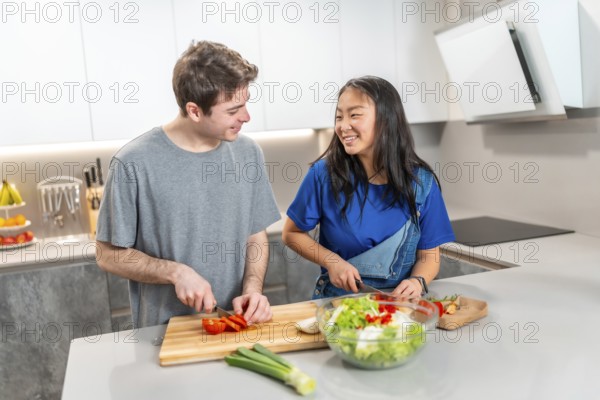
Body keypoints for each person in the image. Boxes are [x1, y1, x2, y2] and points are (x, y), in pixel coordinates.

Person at [96, 41, 281, 328]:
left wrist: (252, 290)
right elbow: (107, 254)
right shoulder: (132, 163)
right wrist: (175, 273)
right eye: (234, 110)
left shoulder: (248, 153)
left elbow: (255, 236)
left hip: (236, 326)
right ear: (194, 111)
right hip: (163, 335)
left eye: (245, 105)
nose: (246, 117)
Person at [282, 76, 455, 299]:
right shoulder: (323, 175)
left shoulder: (422, 183)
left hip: (398, 310)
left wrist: (417, 281)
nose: (343, 126)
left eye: (354, 115)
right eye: (339, 117)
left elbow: (429, 256)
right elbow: (291, 233)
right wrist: (332, 261)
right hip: (337, 308)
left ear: (386, 119)